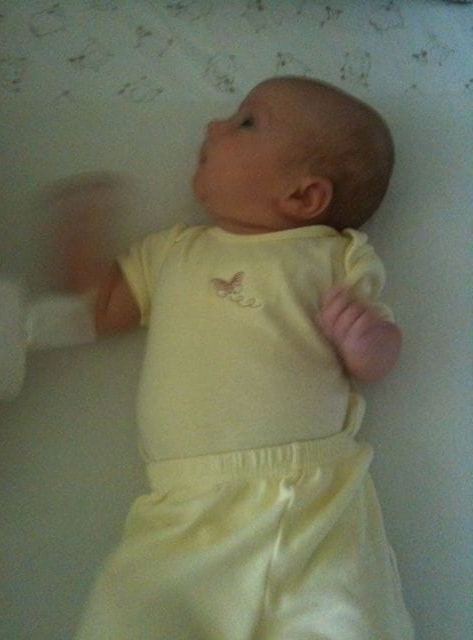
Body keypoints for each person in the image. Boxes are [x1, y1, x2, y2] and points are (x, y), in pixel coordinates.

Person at [62, 76, 414, 639]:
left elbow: (379, 358)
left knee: (339, 614)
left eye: (245, 122)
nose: (213, 125)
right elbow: (102, 309)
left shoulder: (332, 257)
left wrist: (367, 341)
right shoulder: (173, 250)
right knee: (134, 616)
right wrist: (78, 237)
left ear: (303, 196)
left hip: (309, 495)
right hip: (182, 505)